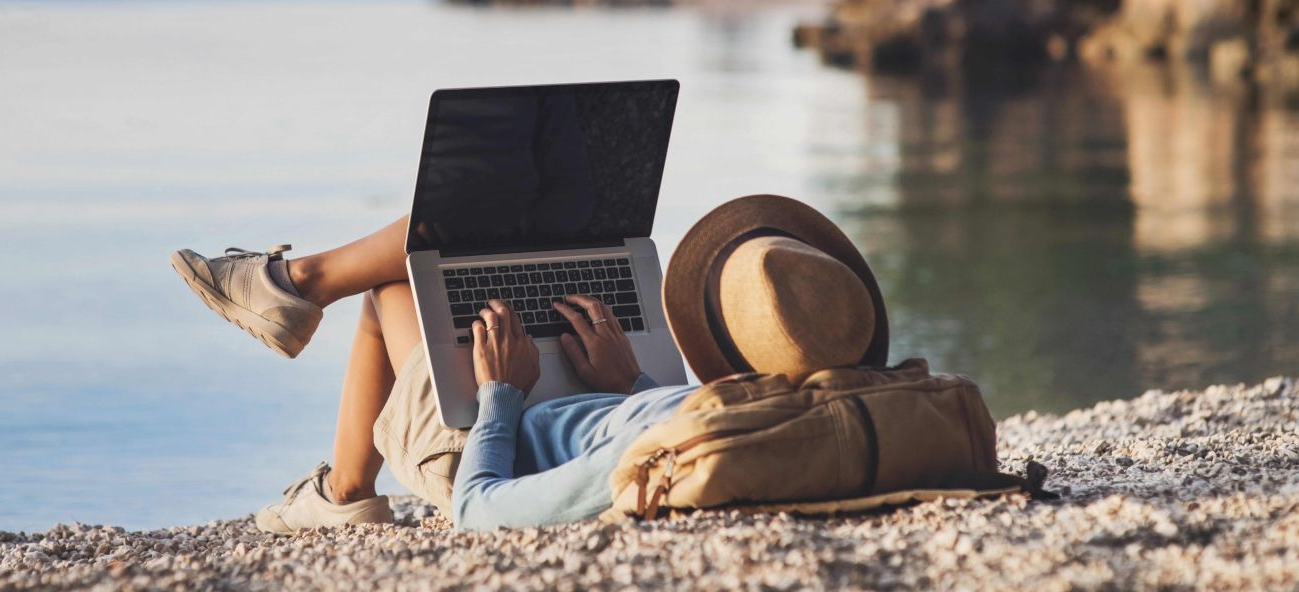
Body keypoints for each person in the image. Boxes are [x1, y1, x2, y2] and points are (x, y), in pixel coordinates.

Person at [169, 194, 888, 532]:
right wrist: (629, 385)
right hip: (596, 397)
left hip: (484, 448)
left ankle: (345, 486)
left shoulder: (674, 446)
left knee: (403, 275)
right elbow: (661, 417)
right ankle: (295, 291)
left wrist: (500, 395)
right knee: (473, 228)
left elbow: (483, 510)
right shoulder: (794, 417)